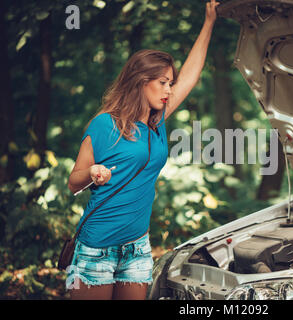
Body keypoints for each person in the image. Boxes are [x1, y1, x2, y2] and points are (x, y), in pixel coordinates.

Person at [66, 0, 220, 300]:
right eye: (162, 82)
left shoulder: (156, 122)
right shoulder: (103, 125)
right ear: (140, 81)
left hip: (137, 247)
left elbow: (190, 76)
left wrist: (209, 22)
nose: (168, 90)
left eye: (170, 83)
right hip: (97, 246)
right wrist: (92, 172)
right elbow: (73, 182)